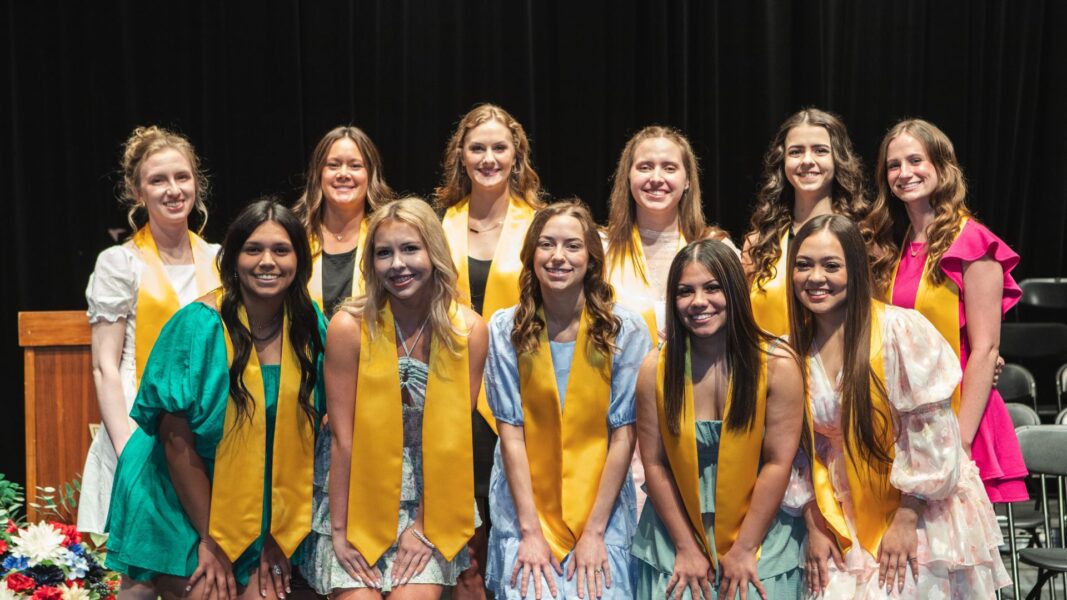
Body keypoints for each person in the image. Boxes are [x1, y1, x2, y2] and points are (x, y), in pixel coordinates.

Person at [105, 200, 326, 600]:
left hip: (259, 497)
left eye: (281, 250)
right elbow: (175, 442)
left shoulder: (310, 325)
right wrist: (210, 539)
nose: (267, 261)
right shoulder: (197, 326)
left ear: (299, 259)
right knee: (207, 591)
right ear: (233, 257)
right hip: (179, 490)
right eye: (253, 249)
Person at [789, 214, 1009, 598]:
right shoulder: (791, 350)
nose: (815, 277)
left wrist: (907, 517)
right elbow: (796, 450)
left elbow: (933, 436)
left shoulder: (899, 331)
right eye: (804, 265)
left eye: (831, 265)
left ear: (856, 270)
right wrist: (813, 521)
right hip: (841, 513)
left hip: (921, 510)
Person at [304, 198, 487, 599]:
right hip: (356, 494)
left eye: (410, 249)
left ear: (434, 253)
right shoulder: (348, 326)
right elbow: (341, 439)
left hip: (431, 494)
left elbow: (453, 444)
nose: (397, 264)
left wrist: (423, 526)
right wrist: (340, 530)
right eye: (384, 253)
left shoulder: (467, 331)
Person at [484, 201, 651, 599]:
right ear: (531, 255)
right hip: (525, 502)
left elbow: (623, 436)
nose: (559, 257)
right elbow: (511, 433)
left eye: (572, 246)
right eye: (547, 244)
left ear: (591, 259)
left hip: (601, 504)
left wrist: (594, 531)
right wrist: (529, 531)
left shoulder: (623, 329)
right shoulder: (506, 328)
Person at [633, 239, 805, 600]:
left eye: (712, 287)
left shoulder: (777, 364)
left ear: (735, 291)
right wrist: (685, 547)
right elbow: (655, 463)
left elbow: (778, 462)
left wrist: (744, 548)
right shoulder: (655, 369)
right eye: (685, 291)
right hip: (673, 534)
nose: (699, 302)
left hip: (759, 533)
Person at [79, 126, 220, 554]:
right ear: (138, 192)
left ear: (197, 182)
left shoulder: (218, 259)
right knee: (142, 571)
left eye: (182, 177)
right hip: (138, 422)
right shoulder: (120, 263)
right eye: (158, 180)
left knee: (203, 559)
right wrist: (128, 447)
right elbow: (105, 365)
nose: (173, 190)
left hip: (206, 425)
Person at [875, 119, 1027, 503]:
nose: (904, 173)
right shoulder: (896, 246)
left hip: (959, 417)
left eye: (915, 160)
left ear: (942, 167)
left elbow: (986, 350)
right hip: (909, 418)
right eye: (894, 165)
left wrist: (957, 443)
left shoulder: (973, 243)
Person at [434, 103, 544, 596]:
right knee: (464, 536)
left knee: (518, 520)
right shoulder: (439, 224)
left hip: (520, 392)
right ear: (461, 155)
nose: (488, 157)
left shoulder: (540, 225)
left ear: (516, 155)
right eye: (477, 147)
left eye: (499, 147)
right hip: (451, 392)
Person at [603, 125, 733, 516]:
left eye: (668, 167)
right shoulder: (600, 248)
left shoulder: (718, 247)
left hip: (696, 416)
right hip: (616, 421)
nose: (656, 178)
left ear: (687, 180)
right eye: (645, 167)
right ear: (627, 177)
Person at [743, 108, 893, 337]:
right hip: (771, 370)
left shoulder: (865, 237)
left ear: (838, 159)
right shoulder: (759, 243)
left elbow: (880, 323)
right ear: (783, 161)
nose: (807, 161)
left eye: (820, 150)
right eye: (796, 152)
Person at [293, 126, 395, 317]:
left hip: (372, 345)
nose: (343, 173)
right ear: (318, 174)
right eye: (333, 165)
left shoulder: (388, 235)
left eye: (355, 166)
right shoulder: (295, 236)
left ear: (370, 175)